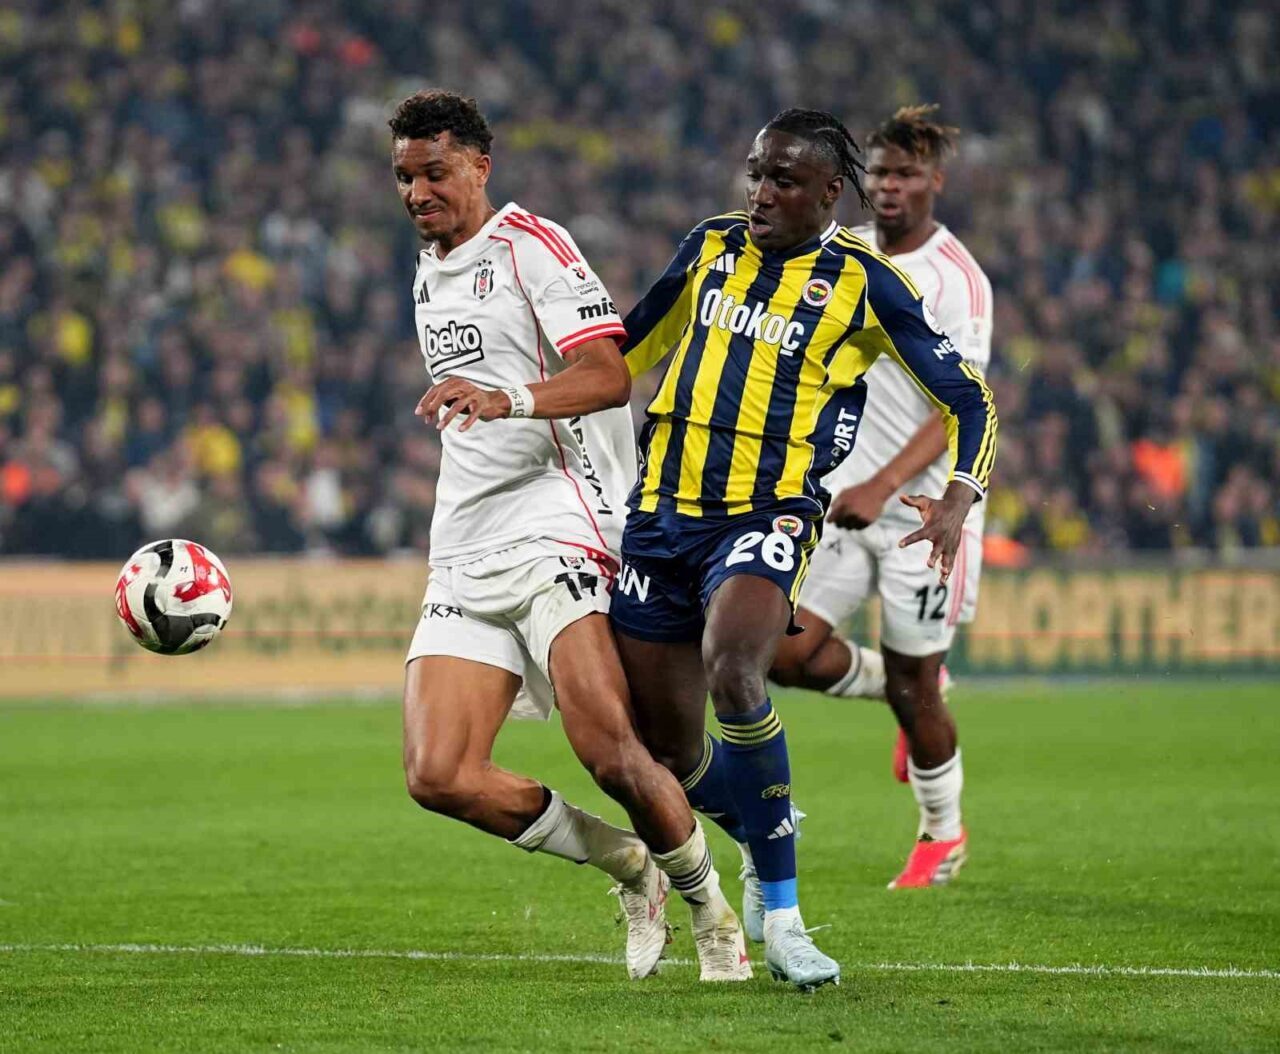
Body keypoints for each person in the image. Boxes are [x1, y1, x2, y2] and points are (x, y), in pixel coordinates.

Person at [610, 108, 997, 989]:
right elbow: (624, 353)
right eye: (756, 174)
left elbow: (969, 396)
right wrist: (526, 399)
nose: (760, 193)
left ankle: (783, 919)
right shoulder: (709, 246)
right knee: (669, 749)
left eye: (783, 180)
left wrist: (960, 494)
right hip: (660, 515)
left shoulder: (865, 282)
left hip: (768, 513)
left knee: (737, 669)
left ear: (829, 194)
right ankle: (759, 828)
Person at [392, 90, 748, 983]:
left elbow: (606, 375)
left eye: (434, 172)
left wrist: (506, 397)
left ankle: (713, 912)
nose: (417, 192)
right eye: (403, 177)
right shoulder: (428, 268)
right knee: (438, 774)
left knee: (611, 753)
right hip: (464, 544)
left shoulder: (533, 246)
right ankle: (628, 865)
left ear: (480, 165)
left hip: (559, 524)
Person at [770, 106, 993, 891]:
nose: (890, 187)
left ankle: (943, 832)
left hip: (925, 514)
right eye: (881, 173)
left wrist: (883, 483)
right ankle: (903, 690)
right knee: (782, 652)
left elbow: (959, 406)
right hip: (837, 500)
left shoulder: (957, 280)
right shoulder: (841, 251)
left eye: (906, 174)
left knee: (914, 685)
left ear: (935, 181)